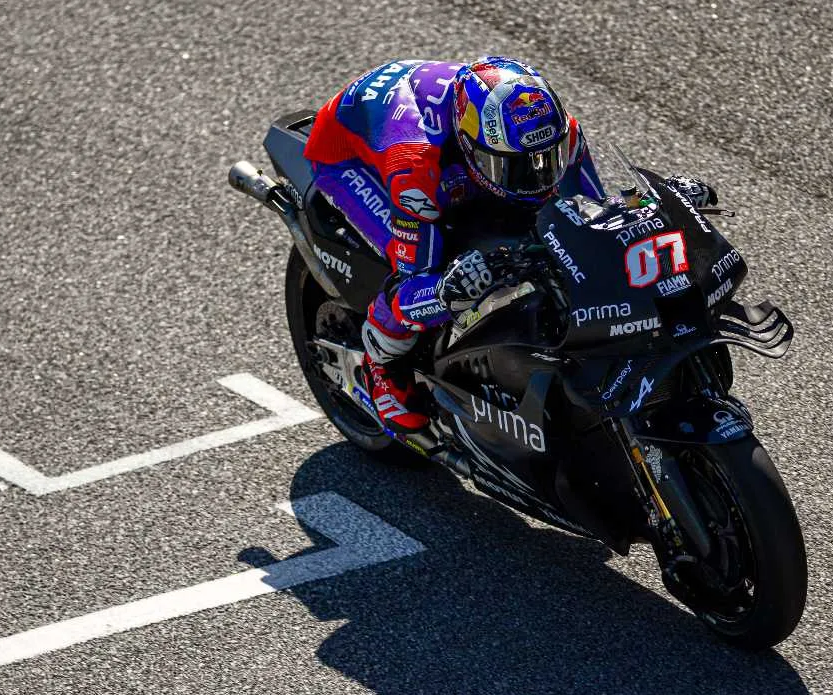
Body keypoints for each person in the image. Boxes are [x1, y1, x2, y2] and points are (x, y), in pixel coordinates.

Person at [303, 56, 715, 434]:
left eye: (547, 160)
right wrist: (447, 289)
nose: (539, 179)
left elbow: (592, 212)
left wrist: (657, 203)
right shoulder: (415, 167)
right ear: (471, 148)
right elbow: (412, 284)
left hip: (446, 135)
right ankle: (381, 366)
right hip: (350, 156)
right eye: (515, 168)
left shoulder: (561, 134)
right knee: (426, 270)